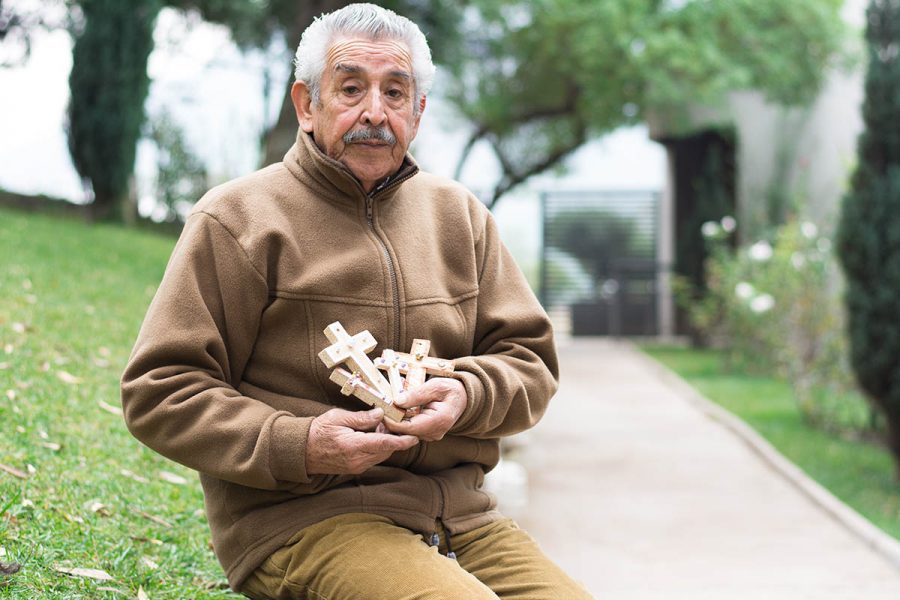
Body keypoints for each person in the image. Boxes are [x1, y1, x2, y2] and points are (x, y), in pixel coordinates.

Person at [121, 4, 593, 599]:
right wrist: (302, 443)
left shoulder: (460, 217)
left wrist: (467, 394)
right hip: (303, 520)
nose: (375, 111)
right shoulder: (239, 218)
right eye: (351, 88)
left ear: (418, 113)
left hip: (462, 517)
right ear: (306, 104)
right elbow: (160, 389)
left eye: (396, 93)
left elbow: (529, 362)